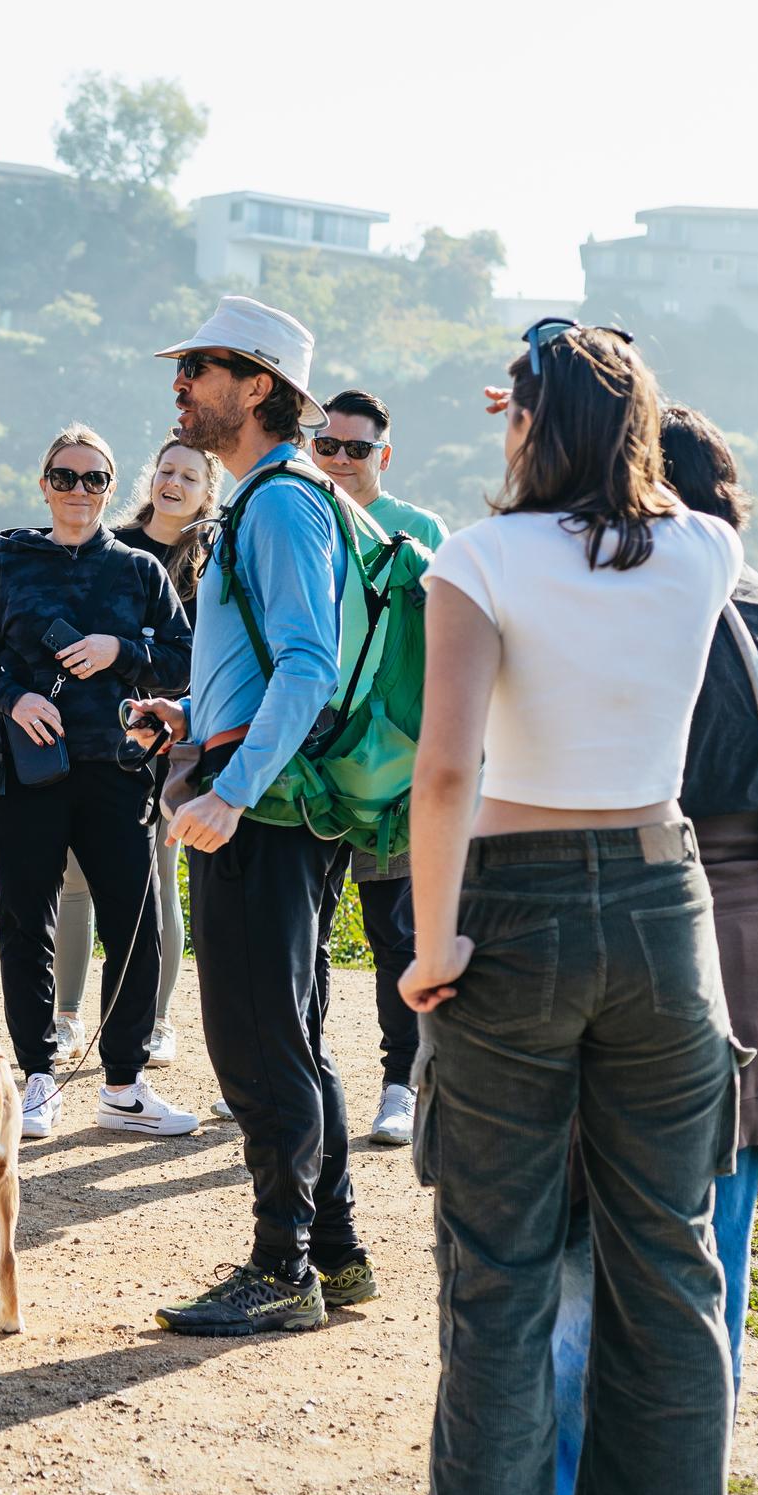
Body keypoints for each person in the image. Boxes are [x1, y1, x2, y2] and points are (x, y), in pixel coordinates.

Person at [400, 321, 743, 1495]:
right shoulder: (704, 550)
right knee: (667, 1265)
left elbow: (442, 773)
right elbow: (651, 460)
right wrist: (592, 396)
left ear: (523, 422)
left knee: (497, 1282)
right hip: (662, 907)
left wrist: (432, 944)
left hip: (511, 910)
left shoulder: (477, 557)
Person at [548, 403, 758, 1495]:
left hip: (632, 932)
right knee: (709, 1292)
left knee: (579, 1284)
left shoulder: (626, 609)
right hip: (753, 955)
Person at [145, 296, 372, 1338]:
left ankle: (279, 1270)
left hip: (260, 806)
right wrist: (188, 714)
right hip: (271, 796)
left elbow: (309, 665)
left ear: (257, 386)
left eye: (199, 366)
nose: (181, 383)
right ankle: (332, 1251)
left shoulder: (278, 503)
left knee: (254, 1044)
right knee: (293, 1033)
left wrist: (227, 797)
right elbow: (263, 668)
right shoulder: (270, 499)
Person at [0, 424, 196, 1141]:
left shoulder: (140, 573)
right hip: (24, 772)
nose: (79, 491)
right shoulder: (7, 571)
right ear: (44, 485)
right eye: (66, 476)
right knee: (28, 923)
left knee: (137, 925)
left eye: (94, 479)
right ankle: (36, 1079)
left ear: (112, 488)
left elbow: (182, 660)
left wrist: (123, 649)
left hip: (119, 772)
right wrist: (13, 698)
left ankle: (123, 1083)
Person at [47, 434, 220, 1068]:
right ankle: (65, 1019)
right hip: (97, 737)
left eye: (190, 477)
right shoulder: (111, 548)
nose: (173, 483)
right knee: (74, 883)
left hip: (177, 740)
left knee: (157, 884)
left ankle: (155, 1020)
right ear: (149, 477)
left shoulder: (218, 560)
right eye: (166, 470)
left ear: (208, 493)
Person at [312, 387, 449, 1146]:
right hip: (307, 757)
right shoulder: (297, 516)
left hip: (391, 763)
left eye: (355, 449)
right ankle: (303, 1065)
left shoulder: (421, 530)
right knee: (307, 922)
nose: (338, 459)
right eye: (326, 444)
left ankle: (401, 1082)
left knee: (393, 927)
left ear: (383, 456)